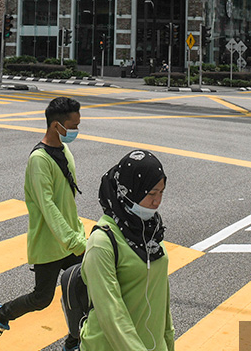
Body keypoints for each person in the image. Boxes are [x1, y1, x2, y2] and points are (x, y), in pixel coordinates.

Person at [0, 97, 86, 351]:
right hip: (50, 243)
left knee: (86, 288)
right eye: (73, 126)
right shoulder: (39, 160)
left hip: (71, 240)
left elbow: (66, 200)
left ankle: (73, 342)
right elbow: (48, 208)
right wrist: (74, 240)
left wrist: (79, 231)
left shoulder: (64, 150)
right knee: (41, 298)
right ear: (55, 126)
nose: (76, 131)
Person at [80, 150, 172, 351]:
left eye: (161, 192)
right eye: (151, 194)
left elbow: (162, 301)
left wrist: (169, 342)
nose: (157, 202)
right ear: (129, 191)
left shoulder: (152, 232)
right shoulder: (102, 243)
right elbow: (111, 314)